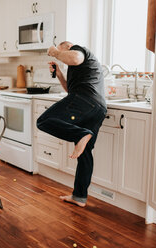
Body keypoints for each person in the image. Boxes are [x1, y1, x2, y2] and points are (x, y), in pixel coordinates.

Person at [37, 41, 107, 207]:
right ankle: (79, 197)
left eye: (62, 52)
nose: (62, 57)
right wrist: (60, 74)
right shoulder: (81, 68)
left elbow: (74, 58)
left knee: (43, 121)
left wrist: (55, 51)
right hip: (96, 108)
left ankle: (81, 134)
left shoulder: (78, 51)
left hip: (86, 101)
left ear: (67, 46)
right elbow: (71, 90)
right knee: (85, 153)